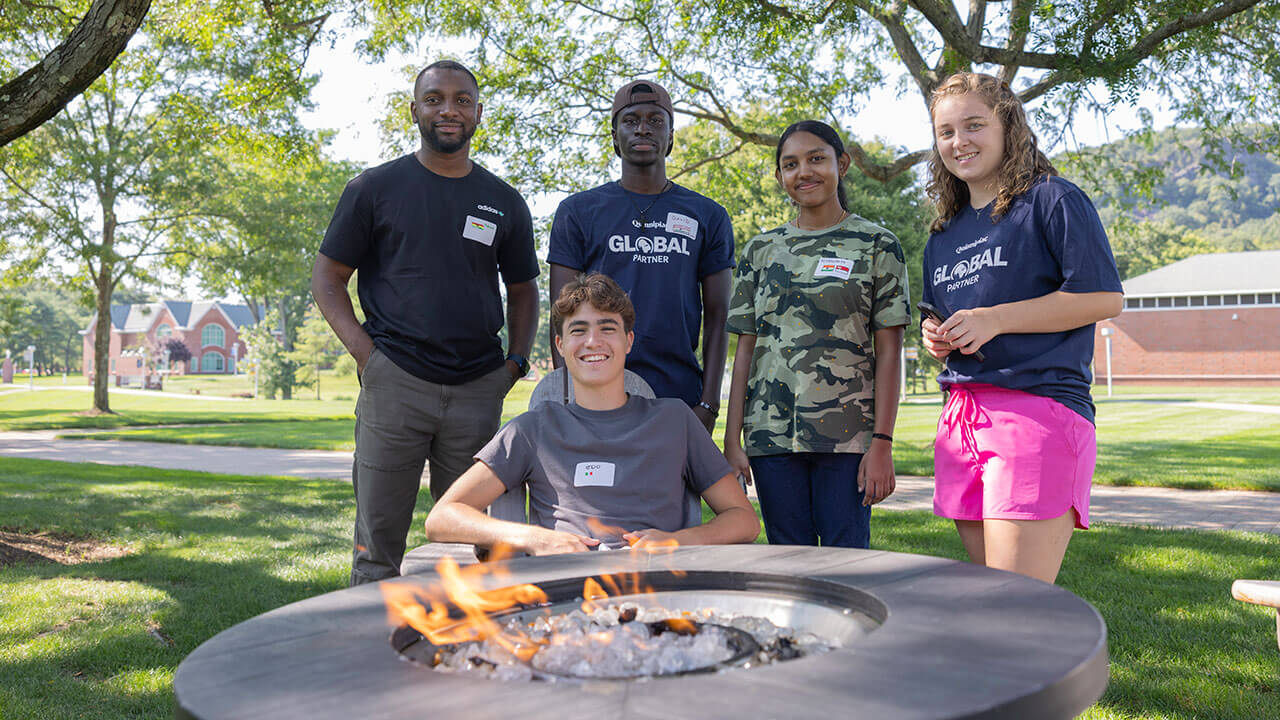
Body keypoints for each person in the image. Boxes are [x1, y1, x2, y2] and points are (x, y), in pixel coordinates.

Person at [311, 60, 539, 585]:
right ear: (414, 110)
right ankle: (375, 657)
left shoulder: (504, 201)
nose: (448, 109)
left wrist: (514, 364)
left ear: (479, 113)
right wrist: (369, 357)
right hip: (396, 385)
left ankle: (486, 654)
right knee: (377, 549)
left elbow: (524, 289)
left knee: (482, 545)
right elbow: (328, 277)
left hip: (478, 387)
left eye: (462, 100)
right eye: (434, 98)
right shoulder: (373, 189)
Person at [920, 72, 1123, 584]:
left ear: (1007, 126)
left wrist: (994, 321)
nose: (958, 141)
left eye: (973, 125)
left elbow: (1104, 297)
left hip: (1037, 410)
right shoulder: (943, 233)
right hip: (961, 419)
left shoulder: (1052, 199)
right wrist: (935, 335)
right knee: (993, 600)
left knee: (1020, 602)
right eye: (945, 131)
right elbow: (940, 313)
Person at [425, 273, 760, 554]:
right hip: (566, 594)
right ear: (560, 345)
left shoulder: (675, 420)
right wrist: (535, 538)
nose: (593, 341)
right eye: (578, 330)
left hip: (660, 591)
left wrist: (678, 540)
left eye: (607, 328)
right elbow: (442, 517)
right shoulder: (532, 430)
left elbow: (744, 519)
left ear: (629, 341)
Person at [723, 120, 910, 549]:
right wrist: (733, 441)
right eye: (790, 164)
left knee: (847, 563)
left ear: (842, 164)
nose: (804, 172)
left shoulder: (877, 244)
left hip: (847, 440)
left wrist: (882, 442)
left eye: (816, 159)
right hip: (770, 438)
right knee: (788, 561)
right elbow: (746, 351)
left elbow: (888, 352)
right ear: (779, 177)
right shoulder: (760, 251)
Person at [546, 80, 734, 432]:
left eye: (656, 120)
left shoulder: (707, 215)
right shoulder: (579, 211)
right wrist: (567, 394)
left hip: (677, 395)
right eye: (630, 121)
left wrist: (708, 403)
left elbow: (720, 315)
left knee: (672, 489)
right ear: (615, 136)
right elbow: (562, 312)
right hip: (597, 390)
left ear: (672, 136)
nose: (643, 128)